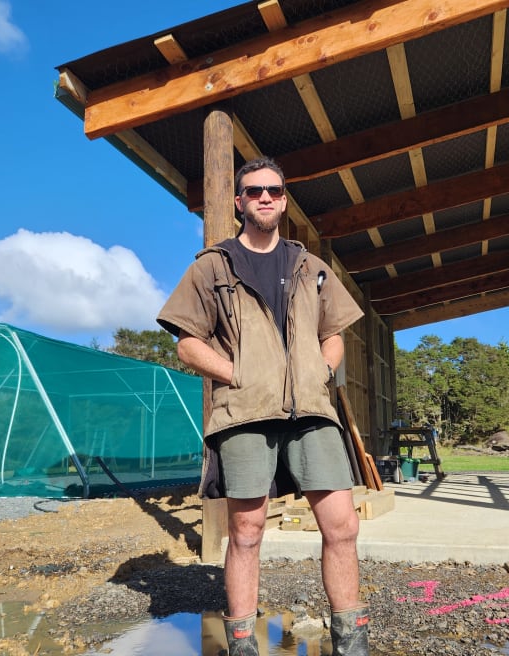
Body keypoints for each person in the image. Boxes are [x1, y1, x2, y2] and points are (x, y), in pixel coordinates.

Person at [157, 157, 370, 655]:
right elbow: (187, 343)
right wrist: (240, 375)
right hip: (246, 415)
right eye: (254, 191)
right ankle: (241, 644)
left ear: (284, 198)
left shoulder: (311, 266)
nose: (266, 198)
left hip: (313, 413)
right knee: (247, 530)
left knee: (343, 524)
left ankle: (351, 638)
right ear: (239, 202)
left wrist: (320, 370)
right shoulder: (212, 265)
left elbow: (332, 334)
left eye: (274, 190)